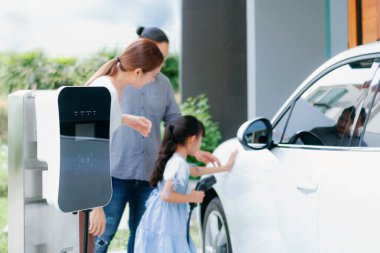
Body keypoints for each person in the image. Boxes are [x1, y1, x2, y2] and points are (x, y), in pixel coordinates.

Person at [90, 27, 221, 253]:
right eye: (158, 56)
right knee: (102, 234)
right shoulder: (112, 87)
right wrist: (95, 205)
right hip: (115, 169)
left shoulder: (159, 83)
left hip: (148, 170)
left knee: (143, 234)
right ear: (141, 58)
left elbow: (174, 120)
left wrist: (193, 149)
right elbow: (93, 142)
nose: (159, 69)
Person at [134, 115, 238, 253]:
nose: (200, 144)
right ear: (192, 139)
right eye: (201, 139)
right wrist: (192, 198)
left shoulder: (176, 160)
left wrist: (224, 168)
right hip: (167, 221)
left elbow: (195, 170)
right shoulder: (178, 163)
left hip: (163, 217)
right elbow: (166, 194)